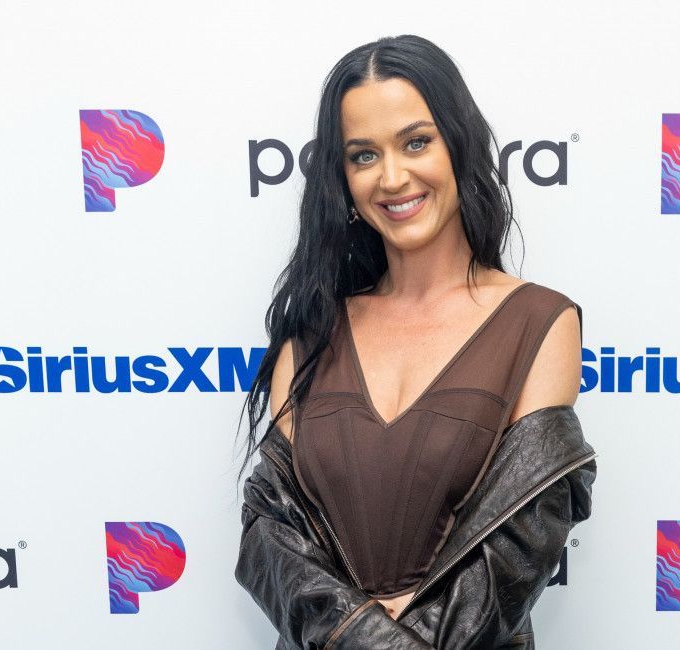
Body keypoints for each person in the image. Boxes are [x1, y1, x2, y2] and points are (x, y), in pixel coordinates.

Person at [235, 34, 597, 649]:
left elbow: (518, 549)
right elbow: (272, 538)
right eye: (363, 155)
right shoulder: (311, 335)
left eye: (416, 142)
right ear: (343, 178)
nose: (392, 177)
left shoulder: (540, 321)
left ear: (459, 144)